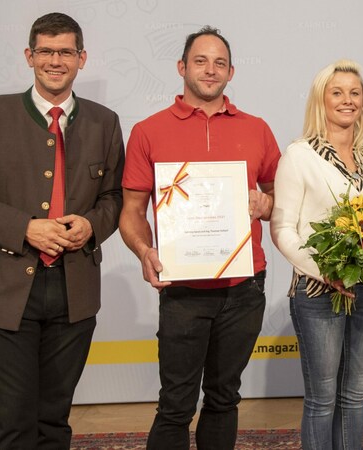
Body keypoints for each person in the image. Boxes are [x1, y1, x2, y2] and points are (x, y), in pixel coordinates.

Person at [0, 12, 124, 448]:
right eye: (45, 51)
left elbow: (115, 198)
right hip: (2, 292)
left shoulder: (106, 121)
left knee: (54, 420)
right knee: (12, 424)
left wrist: (90, 224)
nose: (55, 60)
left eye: (65, 52)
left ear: (82, 58)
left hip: (74, 290)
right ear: (29, 56)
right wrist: (25, 228)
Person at [118, 26, 280, 450]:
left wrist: (265, 205)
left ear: (231, 72)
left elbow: (282, 196)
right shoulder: (148, 131)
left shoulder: (258, 129)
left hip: (245, 287)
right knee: (175, 404)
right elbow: (132, 210)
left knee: (224, 399)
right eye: (201, 61)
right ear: (182, 67)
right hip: (182, 289)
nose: (210, 70)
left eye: (220, 63)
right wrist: (143, 249)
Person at [270, 59, 363, 450]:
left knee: (354, 396)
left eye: (355, 93)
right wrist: (325, 270)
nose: (347, 100)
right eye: (337, 92)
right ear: (321, 100)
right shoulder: (298, 155)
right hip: (318, 293)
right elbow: (282, 229)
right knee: (322, 400)